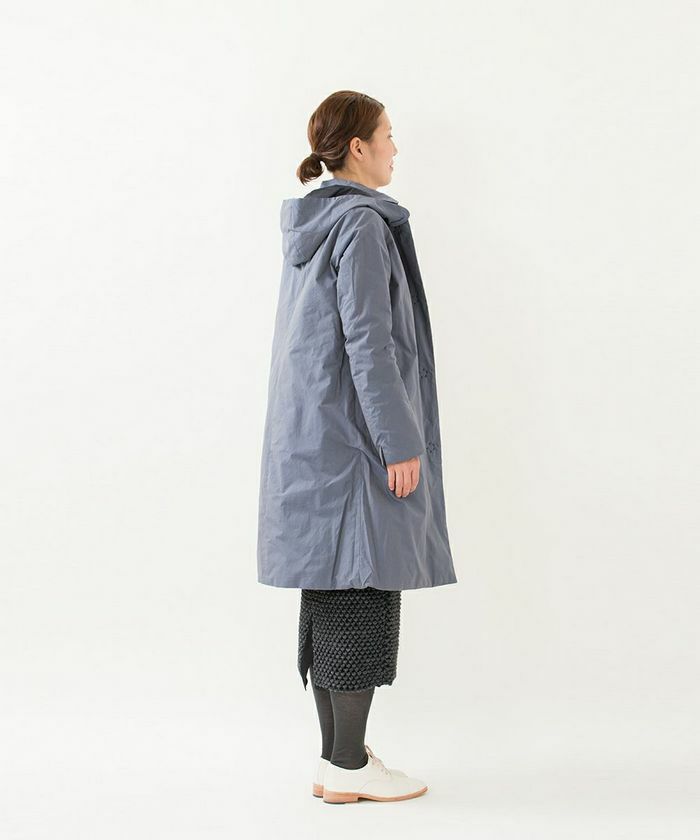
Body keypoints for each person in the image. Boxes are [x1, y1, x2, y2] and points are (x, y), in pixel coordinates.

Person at [256, 90, 458, 803]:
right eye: (388, 135)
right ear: (358, 148)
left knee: (332, 589)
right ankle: (348, 765)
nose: (396, 148)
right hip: (355, 442)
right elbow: (369, 341)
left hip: (319, 438)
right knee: (363, 590)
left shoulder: (317, 223)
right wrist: (399, 440)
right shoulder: (362, 224)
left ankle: (337, 759)